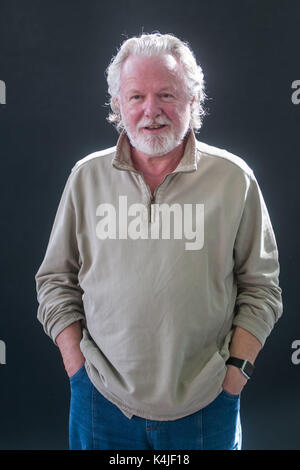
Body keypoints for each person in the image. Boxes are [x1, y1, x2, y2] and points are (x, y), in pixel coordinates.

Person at [35, 33, 283, 450]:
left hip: (207, 405)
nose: (152, 111)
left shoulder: (233, 179)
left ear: (192, 100)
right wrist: (77, 368)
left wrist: (235, 375)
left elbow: (262, 288)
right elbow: (55, 280)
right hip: (101, 403)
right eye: (136, 97)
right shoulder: (86, 177)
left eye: (166, 94)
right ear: (119, 106)